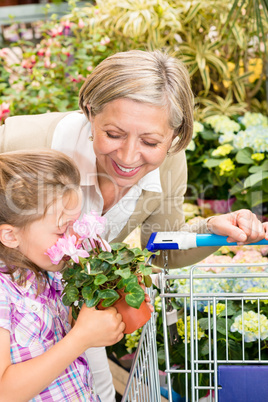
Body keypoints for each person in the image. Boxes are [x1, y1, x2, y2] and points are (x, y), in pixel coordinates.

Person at [0, 50, 267, 401]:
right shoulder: (20, 145)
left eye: (151, 142)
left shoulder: (169, 165)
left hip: (72, 317)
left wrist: (215, 229)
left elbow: (160, 250)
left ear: (174, 136)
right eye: (113, 133)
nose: (127, 157)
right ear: (90, 112)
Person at [0, 150, 125, 401]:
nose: (73, 239)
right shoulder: (4, 291)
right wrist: (80, 339)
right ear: (11, 236)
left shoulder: (47, 273)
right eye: (61, 231)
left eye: (74, 224)